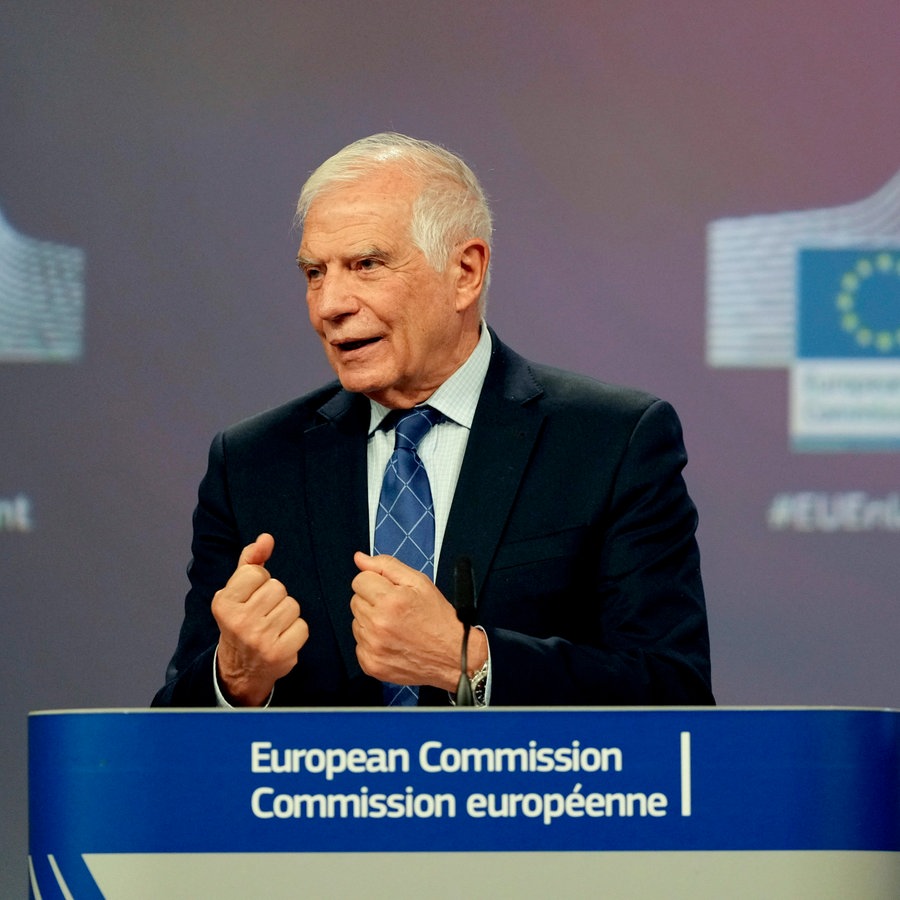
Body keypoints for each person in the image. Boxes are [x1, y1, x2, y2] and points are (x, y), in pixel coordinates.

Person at [152, 133, 713, 709]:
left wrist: (466, 661)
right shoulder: (251, 463)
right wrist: (235, 680)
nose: (329, 305)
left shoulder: (611, 442)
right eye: (315, 272)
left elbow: (675, 693)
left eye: (366, 264)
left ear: (465, 272)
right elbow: (166, 735)